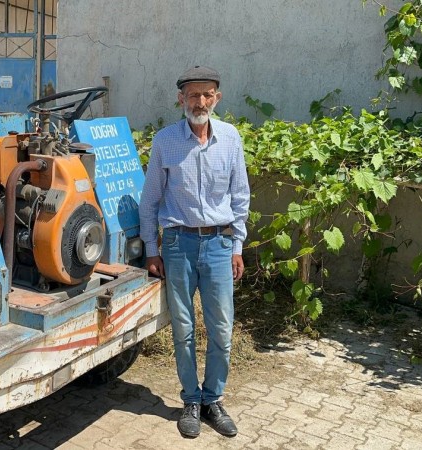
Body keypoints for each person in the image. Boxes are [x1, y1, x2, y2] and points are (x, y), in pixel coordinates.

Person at [138, 65, 250, 438]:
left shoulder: (231, 139)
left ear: (217, 98)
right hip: (178, 245)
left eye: (207, 94)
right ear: (180, 99)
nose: (199, 101)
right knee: (183, 328)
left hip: (219, 245)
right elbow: (150, 200)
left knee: (221, 327)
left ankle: (213, 401)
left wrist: (236, 245)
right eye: (192, 94)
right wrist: (152, 249)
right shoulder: (165, 141)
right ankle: (190, 399)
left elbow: (240, 197)